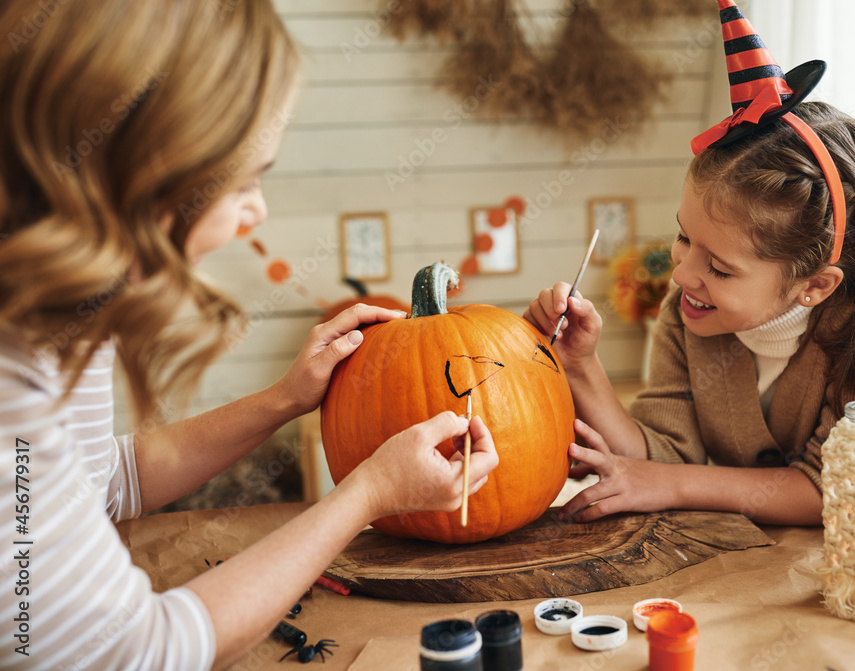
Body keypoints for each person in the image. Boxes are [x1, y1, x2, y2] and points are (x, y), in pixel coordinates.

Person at [0, 2, 499, 670]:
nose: (257, 210)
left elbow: (104, 479)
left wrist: (285, 398)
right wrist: (369, 493)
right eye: (246, 178)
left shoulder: (60, 303)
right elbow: (136, 651)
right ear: (149, 173)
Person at [526, 2, 855, 529]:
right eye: (684, 237)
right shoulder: (689, 312)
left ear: (814, 286)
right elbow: (661, 456)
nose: (681, 275)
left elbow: (832, 489)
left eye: (720, 268)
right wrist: (579, 364)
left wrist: (672, 484)